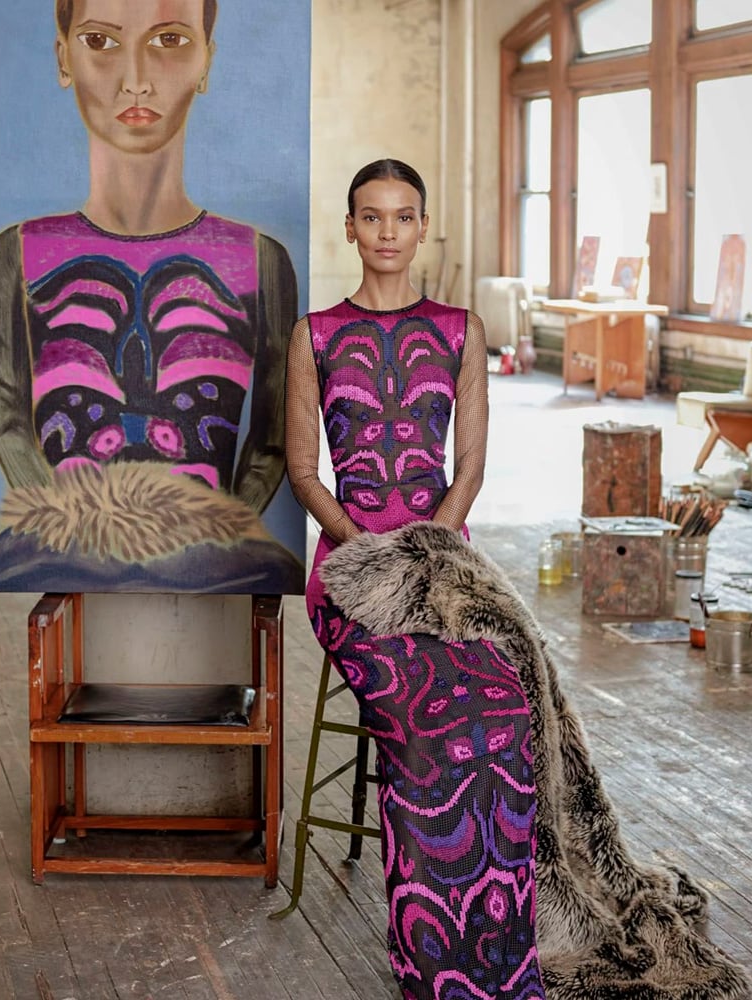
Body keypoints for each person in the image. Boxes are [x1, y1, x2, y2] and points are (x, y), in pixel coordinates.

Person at [286, 159, 546, 999]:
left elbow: (468, 465)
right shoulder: (316, 334)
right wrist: (367, 553)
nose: (388, 231)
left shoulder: (459, 328)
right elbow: (302, 471)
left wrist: (428, 549)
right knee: (428, 732)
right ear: (352, 228)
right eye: (372, 217)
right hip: (351, 572)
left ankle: (501, 961)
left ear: (423, 226)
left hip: (445, 571)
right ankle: (430, 965)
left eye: (404, 217)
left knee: (503, 714)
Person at [0, 0, 303, 594]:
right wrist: (63, 528)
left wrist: (223, 528)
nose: (135, 79)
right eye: (99, 42)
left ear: (206, 62)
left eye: (170, 41)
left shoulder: (261, 262)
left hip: (221, 559)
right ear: (63, 57)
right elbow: (7, 416)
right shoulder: (13, 257)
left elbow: (273, 436)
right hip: (52, 551)